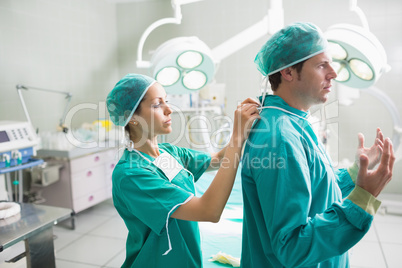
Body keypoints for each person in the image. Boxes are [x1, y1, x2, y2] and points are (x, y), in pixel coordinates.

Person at [240, 22, 395, 267]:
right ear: (288, 72)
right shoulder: (280, 138)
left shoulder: (293, 121)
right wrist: (363, 199)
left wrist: (356, 174)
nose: (333, 73)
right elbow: (291, 247)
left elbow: (316, 189)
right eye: (322, 65)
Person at [106, 73, 260, 268]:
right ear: (132, 117)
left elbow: (216, 160)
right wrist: (237, 138)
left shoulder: (166, 153)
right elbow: (209, 211)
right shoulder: (132, 175)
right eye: (157, 104)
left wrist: (245, 130)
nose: (169, 110)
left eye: (167, 101)